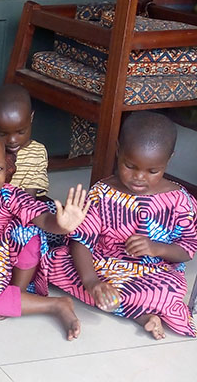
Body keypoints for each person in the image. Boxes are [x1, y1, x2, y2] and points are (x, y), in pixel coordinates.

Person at [45, 112, 197, 339]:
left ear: (169, 159)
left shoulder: (180, 201)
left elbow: (187, 250)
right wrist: (92, 281)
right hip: (102, 265)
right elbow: (81, 240)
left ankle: (128, 307)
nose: (139, 177)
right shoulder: (102, 192)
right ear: (118, 151)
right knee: (53, 262)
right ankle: (140, 313)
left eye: (152, 171)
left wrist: (157, 248)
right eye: (130, 165)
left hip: (152, 272)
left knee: (170, 288)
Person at [0, 125, 86, 339]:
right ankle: (54, 304)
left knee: (27, 231)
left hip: (5, 270)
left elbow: (40, 217)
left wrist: (61, 225)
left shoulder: (8, 194)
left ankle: (19, 292)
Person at [0, 84, 49, 198]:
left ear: (31, 118)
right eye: (2, 134)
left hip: (23, 206)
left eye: (20, 132)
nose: (12, 140)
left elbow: (30, 198)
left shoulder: (37, 153)